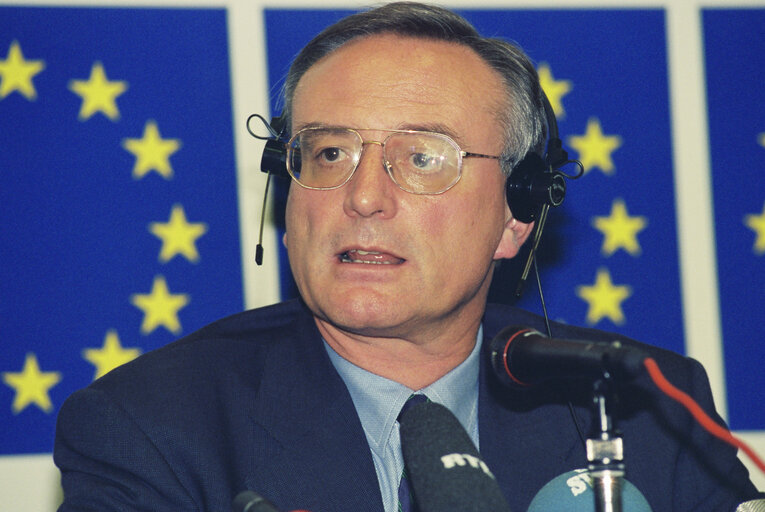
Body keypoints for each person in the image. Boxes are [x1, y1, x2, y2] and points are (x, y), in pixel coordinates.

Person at [54, 2, 761, 511]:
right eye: (328, 152)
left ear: (515, 215)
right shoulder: (151, 426)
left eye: (421, 158)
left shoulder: (640, 404)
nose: (362, 197)